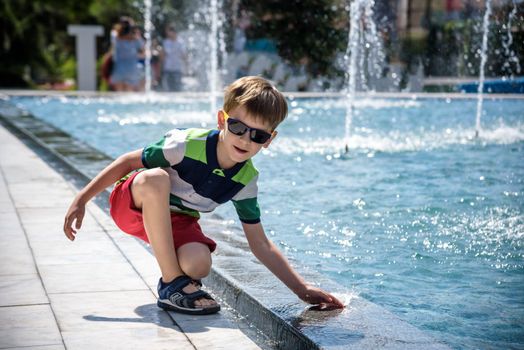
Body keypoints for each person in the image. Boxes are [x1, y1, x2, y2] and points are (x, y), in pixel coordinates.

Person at [63, 76, 344, 315]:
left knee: (199, 264)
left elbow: (260, 244)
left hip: (176, 221)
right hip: (132, 203)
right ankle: (173, 284)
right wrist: (82, 199)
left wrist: (301, 290)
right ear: (222, 120)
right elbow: (127, 162)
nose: (245, 140)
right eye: (238, 127)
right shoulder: (185, 144)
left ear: (269, 140)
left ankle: (171, 282)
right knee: (156, 178)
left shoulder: (245, 181)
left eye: (258, 136)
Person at [110, 17, 144, 92]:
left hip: (119, 68)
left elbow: (113, 33)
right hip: (132, 68)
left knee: (119, 93)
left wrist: (119, 28)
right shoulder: (136, 38)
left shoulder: (116, 37)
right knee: (130, 93)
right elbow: (143, 51)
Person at [160, 25, 187, 92]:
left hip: (177, 69)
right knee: (167, 89)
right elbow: (163, 55)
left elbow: (184, 56)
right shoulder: (166, 42)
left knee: (177, 89)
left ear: (173, 32)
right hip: (167, 68)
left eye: (168, 32)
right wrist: (161, 67)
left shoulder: (181, 42)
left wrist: (186, 67)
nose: (167, 33)